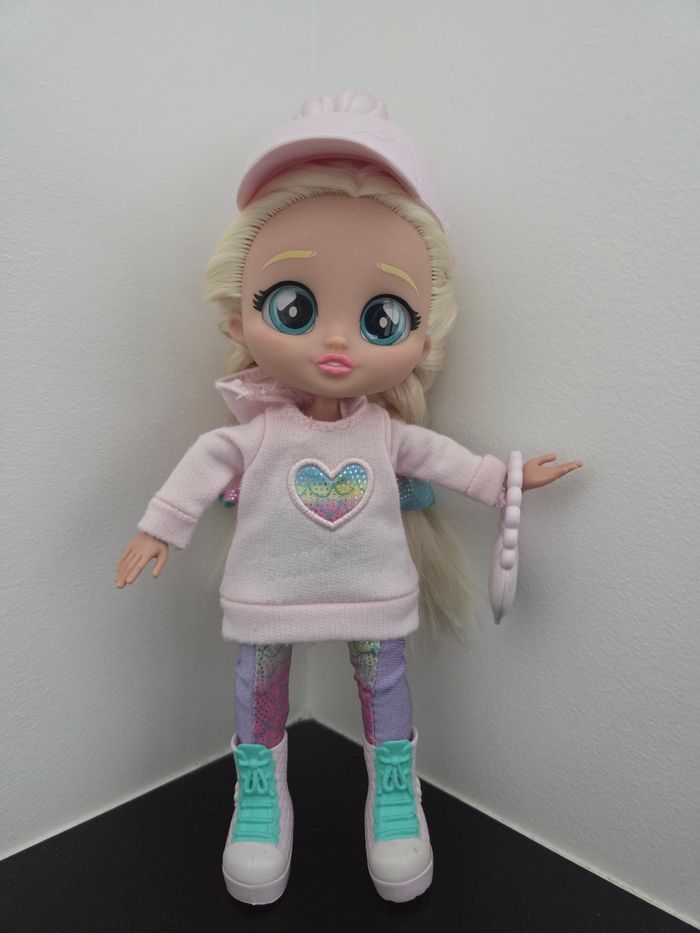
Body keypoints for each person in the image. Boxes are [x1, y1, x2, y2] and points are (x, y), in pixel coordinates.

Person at [115, 91, 581, 906]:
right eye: (294, 307)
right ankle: (260, 793)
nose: (335, 340)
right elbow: (204, 462)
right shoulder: (258, 431)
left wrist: (508, 478)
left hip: (372, 588)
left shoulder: (384, 433)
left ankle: (393, 793)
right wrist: (161, 526)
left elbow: (449, 461)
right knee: (258, 688)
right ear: (239, 318)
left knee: (384, 686)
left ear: (422, 335)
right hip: (268, 591)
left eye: (380, 316)